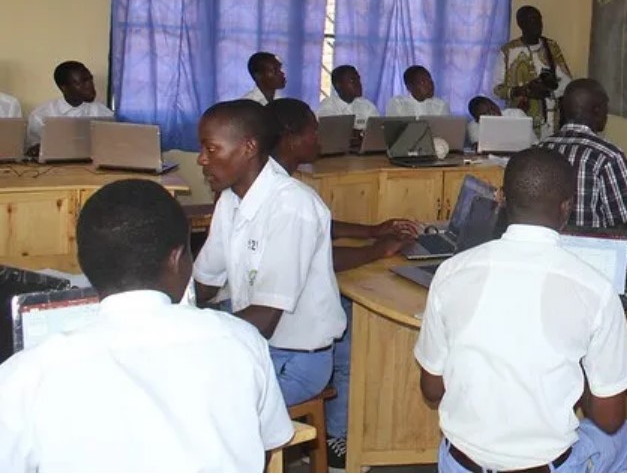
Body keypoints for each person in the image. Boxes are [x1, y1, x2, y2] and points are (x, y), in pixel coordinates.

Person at [0, 179, 292, 471]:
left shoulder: (25, 377)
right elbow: (266, 445)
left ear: (85, 263)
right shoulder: (240, 340)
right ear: (176, 258)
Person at [416, 148, 627, 473]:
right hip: (541, 467)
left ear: (502, 198)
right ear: (566, 207)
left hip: (458, 464)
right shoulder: (596, 289)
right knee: (622, 437)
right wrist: (578, 380)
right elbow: (610, 418)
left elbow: (432, 389)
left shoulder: (452, 271)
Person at [267, 98, 420, 468]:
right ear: (290, 139)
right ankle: (338, 441)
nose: (318, 137)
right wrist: (378, 250)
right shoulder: (293, 198)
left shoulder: (271, 183)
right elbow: (319, 258)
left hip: (273, 322)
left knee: (349, 309)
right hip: (289, 341)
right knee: (353, 338)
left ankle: (342, 430)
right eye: (312, 130)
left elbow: (317, 229)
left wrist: (372, 231)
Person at [192, 100, 346, 408]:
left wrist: (193, 335)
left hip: (293, 360)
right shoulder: (231, 199)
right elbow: (205, 283)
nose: (201, 159)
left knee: (201, 404)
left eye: (211, 149)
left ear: (248, 147)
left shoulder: (291, 206)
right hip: (254, 343)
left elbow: (265, 319)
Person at [541, 79, 627, 274]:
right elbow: (626, 222)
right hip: (592, 253)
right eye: (605, 107)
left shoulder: (542, 147)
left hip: (549, 249)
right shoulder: (607, 154)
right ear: (597, 110)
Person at [493, 6, 572, 139]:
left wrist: (547, 92)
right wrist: (523, 90)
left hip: (550, 120)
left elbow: (567, 81)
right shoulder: (508, 51)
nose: (537, 24)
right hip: (520, 120)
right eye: (531, 20)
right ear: (521, 24)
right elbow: (496, 89)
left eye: (539, 19)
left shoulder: (551, 47)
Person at [25, 60, 114, 150]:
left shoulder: (104, 114)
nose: (90, 85)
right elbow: (32, 149)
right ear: (64, 88)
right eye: (83, 82)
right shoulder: (41, 116)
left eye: (90, 79)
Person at [317, 64, 379, 133]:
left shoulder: (367, 106)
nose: (358, 84)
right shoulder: (328, 107)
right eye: (352, 81)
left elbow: (377, 130)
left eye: (358, 79)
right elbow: (333, 132)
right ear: (338, 85)